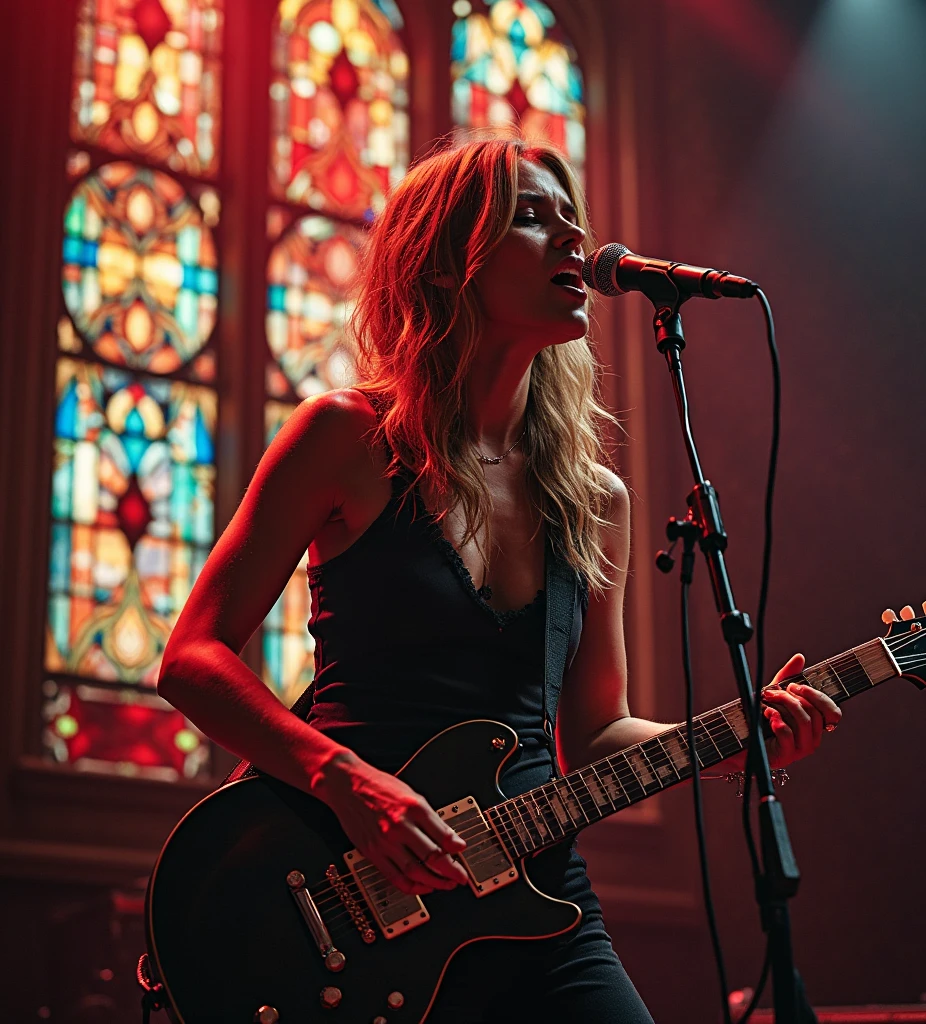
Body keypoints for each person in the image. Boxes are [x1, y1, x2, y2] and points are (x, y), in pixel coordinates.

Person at [157, 134, 842, 1023]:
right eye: (530, 216)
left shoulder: (593, 500)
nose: (572, 237)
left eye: (571, 217)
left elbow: (595, 732)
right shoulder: (345, 440)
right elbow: (192, 656)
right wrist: (345, 780)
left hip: (536, 897)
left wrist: (732, 738)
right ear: (447, 264)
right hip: (347, 882)